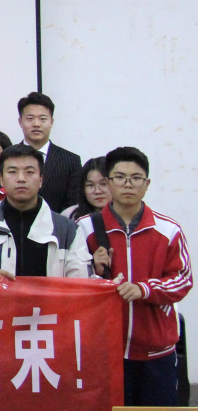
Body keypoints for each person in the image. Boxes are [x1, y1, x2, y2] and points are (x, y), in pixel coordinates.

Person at [77, 147, 191, 406]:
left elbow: (183, 279)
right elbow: (70, 281)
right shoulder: (84, 227)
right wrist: (94, 272)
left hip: (156, 352)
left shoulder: (168, 230)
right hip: (103, 350)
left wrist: (145, 289)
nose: (128, 184)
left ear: (147, 184)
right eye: (120, 177)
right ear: (108, 182)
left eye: (136, 178)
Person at [0, 144, 92, 279]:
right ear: (1, 179)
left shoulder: (67, 230)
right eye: (12, 172)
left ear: (41, 180)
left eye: (29, 172)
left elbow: (81, 282)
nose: (21, 179)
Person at [18, 92, 82, 211]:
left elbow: (73, 204)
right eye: (30, 119)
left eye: (43, 119)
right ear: (20, 122)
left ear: (51, 122)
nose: (36, 124)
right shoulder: (8, 157)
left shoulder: (70, 161)